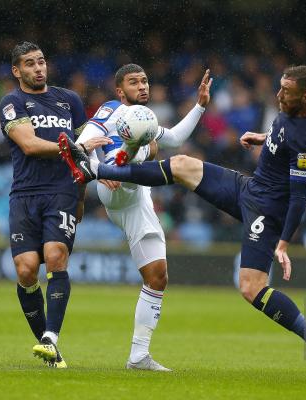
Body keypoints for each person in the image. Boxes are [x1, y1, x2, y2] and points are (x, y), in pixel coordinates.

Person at [59, 65, 306, 382]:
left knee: (251, 288)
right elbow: (286, 134)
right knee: (181, 165)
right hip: (250, 187)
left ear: (305, 97)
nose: (278, 95)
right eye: (279, 87)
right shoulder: (305, 106)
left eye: (285, 92)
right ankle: (97, 172)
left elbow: (300, 197)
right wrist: (267, 138)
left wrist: (284, 242)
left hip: (267, 210)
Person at [75, 64, 212, 371]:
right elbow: (83, 144)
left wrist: (200, 106)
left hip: (137, 198)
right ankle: (116, 161)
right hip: (113, 187)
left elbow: (175, 137)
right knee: (142, 148)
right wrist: (96, 165)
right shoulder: (111, 110)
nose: (143, 86)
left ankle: (138, 355)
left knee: (158, 276)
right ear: (120, 91)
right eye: (134, 82)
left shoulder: (146, 120)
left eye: (145, 81)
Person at [0, 42, 110, 368]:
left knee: (55, 256)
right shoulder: (12, 102)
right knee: (26, 269)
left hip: (61, 191)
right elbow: (30, 145)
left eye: (42, 62)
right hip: (24, 194)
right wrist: (73, 147)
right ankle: (49, 350)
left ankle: (51, 337)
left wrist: (82, 193)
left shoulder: (69, 100)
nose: (39, 68)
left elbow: (85, 151)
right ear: (17, 71)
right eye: (30, 64)